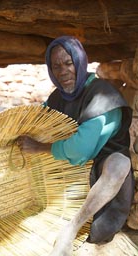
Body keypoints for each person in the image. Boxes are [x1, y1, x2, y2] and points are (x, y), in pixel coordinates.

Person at [16, 36, 135, 256]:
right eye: (56, 66)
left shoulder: (104, 97)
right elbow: (39, 122)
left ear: (80, 62)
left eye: (68, 63)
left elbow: (80, 150)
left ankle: (72, 228)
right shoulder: (58, 97)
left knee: (120, 163)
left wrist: (40, 147)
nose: (63, 71)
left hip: (99, 181)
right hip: (68, 176)